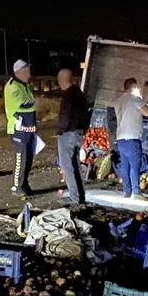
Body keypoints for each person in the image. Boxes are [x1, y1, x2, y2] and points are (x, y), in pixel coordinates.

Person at [4, 59, 37, 197]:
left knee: (28, 159)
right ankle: (17, 187)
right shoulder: (12, 86)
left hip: (28, 128)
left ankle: (24, 184)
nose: (29, 72)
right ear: (19, 71)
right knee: (21, 159)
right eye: (27, 69)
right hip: (18, 129)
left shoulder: (26, 85)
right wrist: (37, 104)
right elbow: (23, 105)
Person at [55, 68, 88, 206]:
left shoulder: (68, 95)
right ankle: (80, 196)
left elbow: (65, 116)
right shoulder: (79, 93)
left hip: (68, 133)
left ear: (62, 80)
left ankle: (75, 198)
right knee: (76, 165)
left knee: (68, 167)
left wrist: (60, 131)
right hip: (78, 133)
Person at [113, 78, 148, 198]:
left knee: (125, 166)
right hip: (132, 137)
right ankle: (136, 192)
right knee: (135, 166)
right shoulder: (134, 99)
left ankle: (126, 191)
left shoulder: (118, 101)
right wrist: (143, 100)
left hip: (120, 137)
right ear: (133, 87)